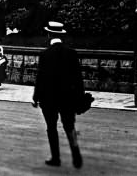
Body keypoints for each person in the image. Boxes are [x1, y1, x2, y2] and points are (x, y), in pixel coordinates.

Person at [32, 21, 85, 169]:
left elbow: (40, 79)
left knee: (51, 127)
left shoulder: (45, 54)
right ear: (62, 35)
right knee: (70, 127)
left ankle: (56, 157)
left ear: (49, 35)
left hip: (49, 99)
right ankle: (76, 155)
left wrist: (36, 97)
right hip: (67, 98)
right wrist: (80, 97)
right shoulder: (72, 53)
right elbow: (78, 79)